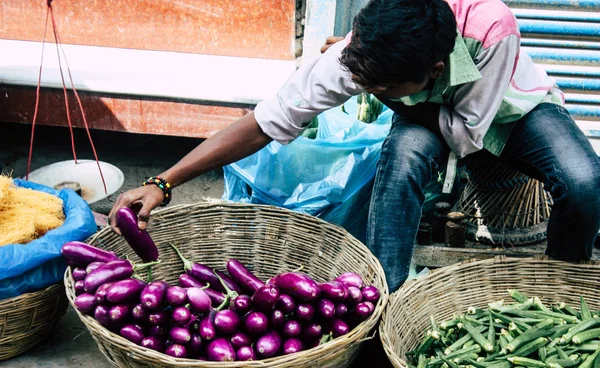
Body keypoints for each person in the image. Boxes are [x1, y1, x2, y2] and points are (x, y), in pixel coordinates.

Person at [109, 0, 600, 296]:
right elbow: (264, 122)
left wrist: (405, 105)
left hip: (512, 107)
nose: (367, 91)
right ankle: (385, 297)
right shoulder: (360, 54)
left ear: (429, 72)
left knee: (584, 181)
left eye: (380, 90)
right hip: (434, 114)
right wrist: (162, 182)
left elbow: (468, 133)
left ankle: (562, 286)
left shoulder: (492, 29)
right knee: (402, 161)